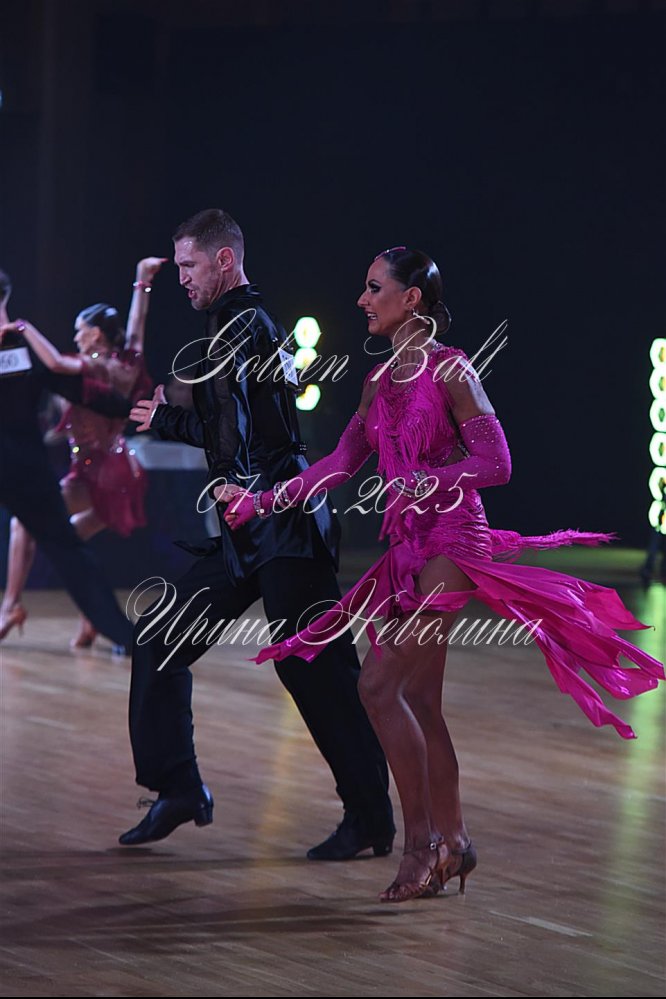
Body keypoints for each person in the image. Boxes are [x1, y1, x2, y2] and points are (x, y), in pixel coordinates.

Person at [223, 246, 665, 902]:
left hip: (455, 543)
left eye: (374, 287)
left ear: (411, 300)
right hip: (408, 547)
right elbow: (339, 464)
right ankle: (455, 842)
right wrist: (261, 501)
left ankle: (420, 845)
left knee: (377, 687)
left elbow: (498, 462)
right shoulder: (378, 382)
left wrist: (434, 478)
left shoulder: (452, 369)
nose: (361, 299)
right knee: (421, 702)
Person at [118, 209, 394, 857]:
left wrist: (232, 478)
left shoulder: (238, 324)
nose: (182, 278)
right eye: (177, 267)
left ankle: (371, 818)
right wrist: (170, 422)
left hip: (284, 520)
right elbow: (232, 422)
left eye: (189, 266)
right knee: (160, 635)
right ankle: (179, 788)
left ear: (224, 260)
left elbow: (236, 428)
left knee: (314, 667)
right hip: (252, 523)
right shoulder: (238, 323)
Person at [0, 257, 164, 648]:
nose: (76, 336)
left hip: (90, 469)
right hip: (94, 467)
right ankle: (83, 618)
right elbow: (133, 329)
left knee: (61, 542)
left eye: (81, 330)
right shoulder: (108, 362)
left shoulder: (63, 359)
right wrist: (141, 281)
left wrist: (23, 328)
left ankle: (104, 627)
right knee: (60, 541)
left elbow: (70, 377)